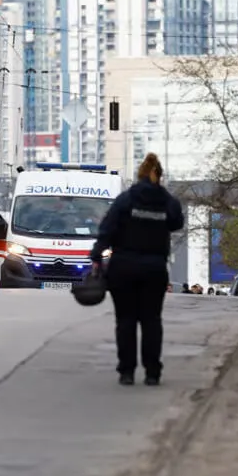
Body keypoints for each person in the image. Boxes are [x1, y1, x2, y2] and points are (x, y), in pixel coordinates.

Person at [91, 153, 184, 387]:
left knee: (126, 320)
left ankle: (127, 371)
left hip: (123, 268)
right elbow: (177, 222)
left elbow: (107, 229)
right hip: (154, 269)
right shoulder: (166, 202)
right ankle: (152, 372)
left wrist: (96, 257)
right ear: (158, 176)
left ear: (139, 175)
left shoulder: (125, 200)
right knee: (152, 320)